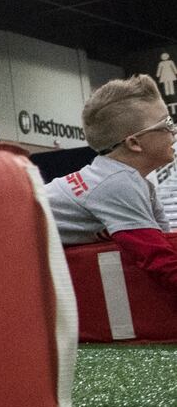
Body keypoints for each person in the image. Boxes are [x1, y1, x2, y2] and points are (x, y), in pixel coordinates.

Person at [44, 75, 177, 291]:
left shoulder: (132, 181)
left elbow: (166, 244)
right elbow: (159, 261)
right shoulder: (117, 184)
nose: (174, 131)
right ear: (134, 142)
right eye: (166, 123)